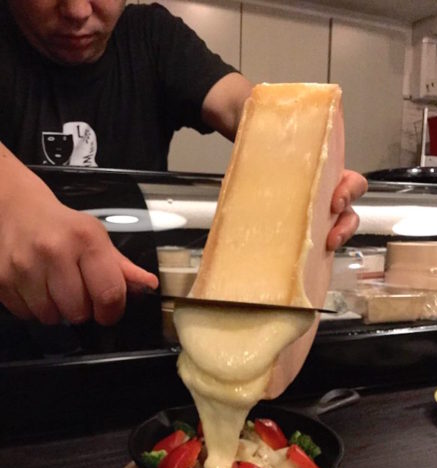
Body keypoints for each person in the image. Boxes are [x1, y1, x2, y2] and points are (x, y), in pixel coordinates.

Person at [0, 0, 367, 328]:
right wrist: (13, 200)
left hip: (138, 312)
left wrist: (313, 164)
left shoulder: (151, 35)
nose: (78, 10)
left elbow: (238, 105)